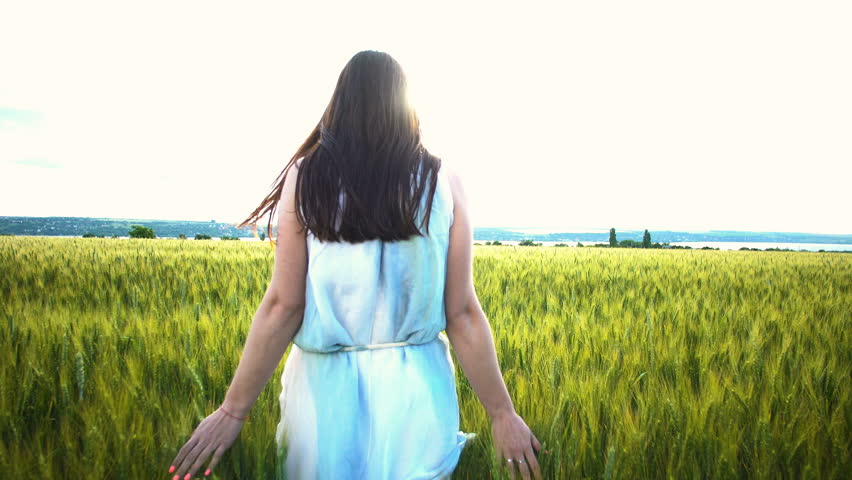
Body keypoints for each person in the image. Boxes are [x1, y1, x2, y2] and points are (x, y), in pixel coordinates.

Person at [168, 50, 542, 480]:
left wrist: (233, 411)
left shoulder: (306, 178)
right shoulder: (444, 182)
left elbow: (283, 306)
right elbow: (462, 313)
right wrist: (501, 414)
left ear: (339, 104)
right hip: (416, 400)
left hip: (322, 402)